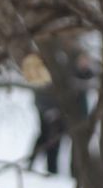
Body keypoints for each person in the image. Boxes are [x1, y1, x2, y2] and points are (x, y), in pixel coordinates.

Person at [27, 42, 96, 176]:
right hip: (50, 109)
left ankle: (67, 171)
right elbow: (42, 90)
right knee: (48, 137)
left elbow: (86, 78)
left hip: (65, 111)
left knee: (62, 139)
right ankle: (44, 166)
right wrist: (49, 110)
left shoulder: (67, 62)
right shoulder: (44, 66)